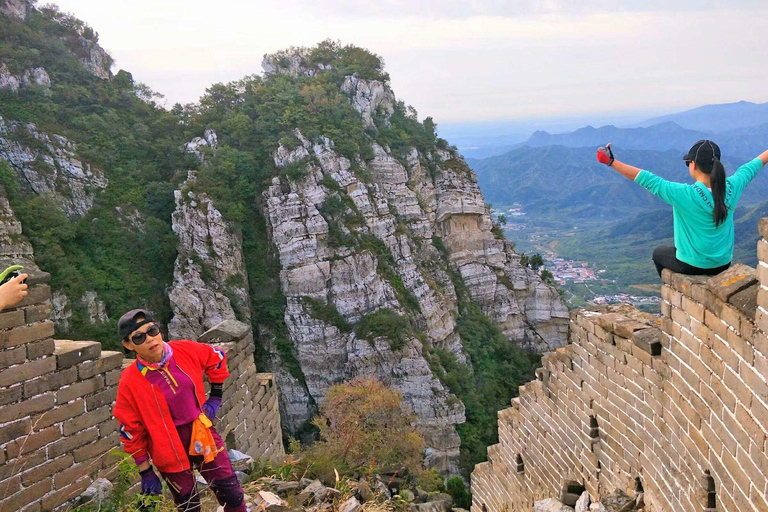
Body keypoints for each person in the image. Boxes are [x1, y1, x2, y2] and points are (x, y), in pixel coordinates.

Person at [113, 308, 246, 512]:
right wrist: (145, 470)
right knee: (188, 506)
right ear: (128, 345)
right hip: (167, 449)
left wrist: (216, 396)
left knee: (231, 493)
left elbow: (216, 357)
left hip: (201, 434)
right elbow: (129, 428)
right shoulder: (130, 380)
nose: (149, 339)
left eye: (152, 331)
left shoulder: (185, 351)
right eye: (139, 338)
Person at [597, 140, 768, 278]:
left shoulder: (685, 194)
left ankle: (672, 290)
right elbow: (755, 164)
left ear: (693, 164)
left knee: (659, 253)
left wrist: (610, 161)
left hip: (692, 265)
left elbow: (645, 178)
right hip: (723, 263)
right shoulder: (732, 187)